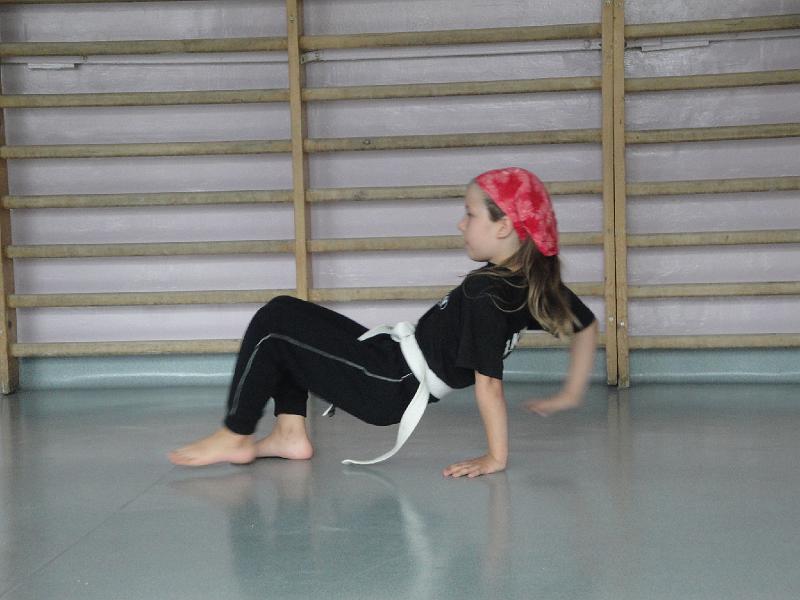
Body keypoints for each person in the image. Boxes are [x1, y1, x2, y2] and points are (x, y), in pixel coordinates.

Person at [169, 167, 599, 478]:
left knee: (275, 322)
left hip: (388, 383)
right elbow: (587, 326)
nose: (460, 223)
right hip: (391, 363)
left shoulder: (486, 292)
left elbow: (489, 384)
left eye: (470, 214)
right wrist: (570, 394)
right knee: (290, 316)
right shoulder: (529, 284)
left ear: (504, 226)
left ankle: (236, 432)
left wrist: (496, 458)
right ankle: (288, 433)